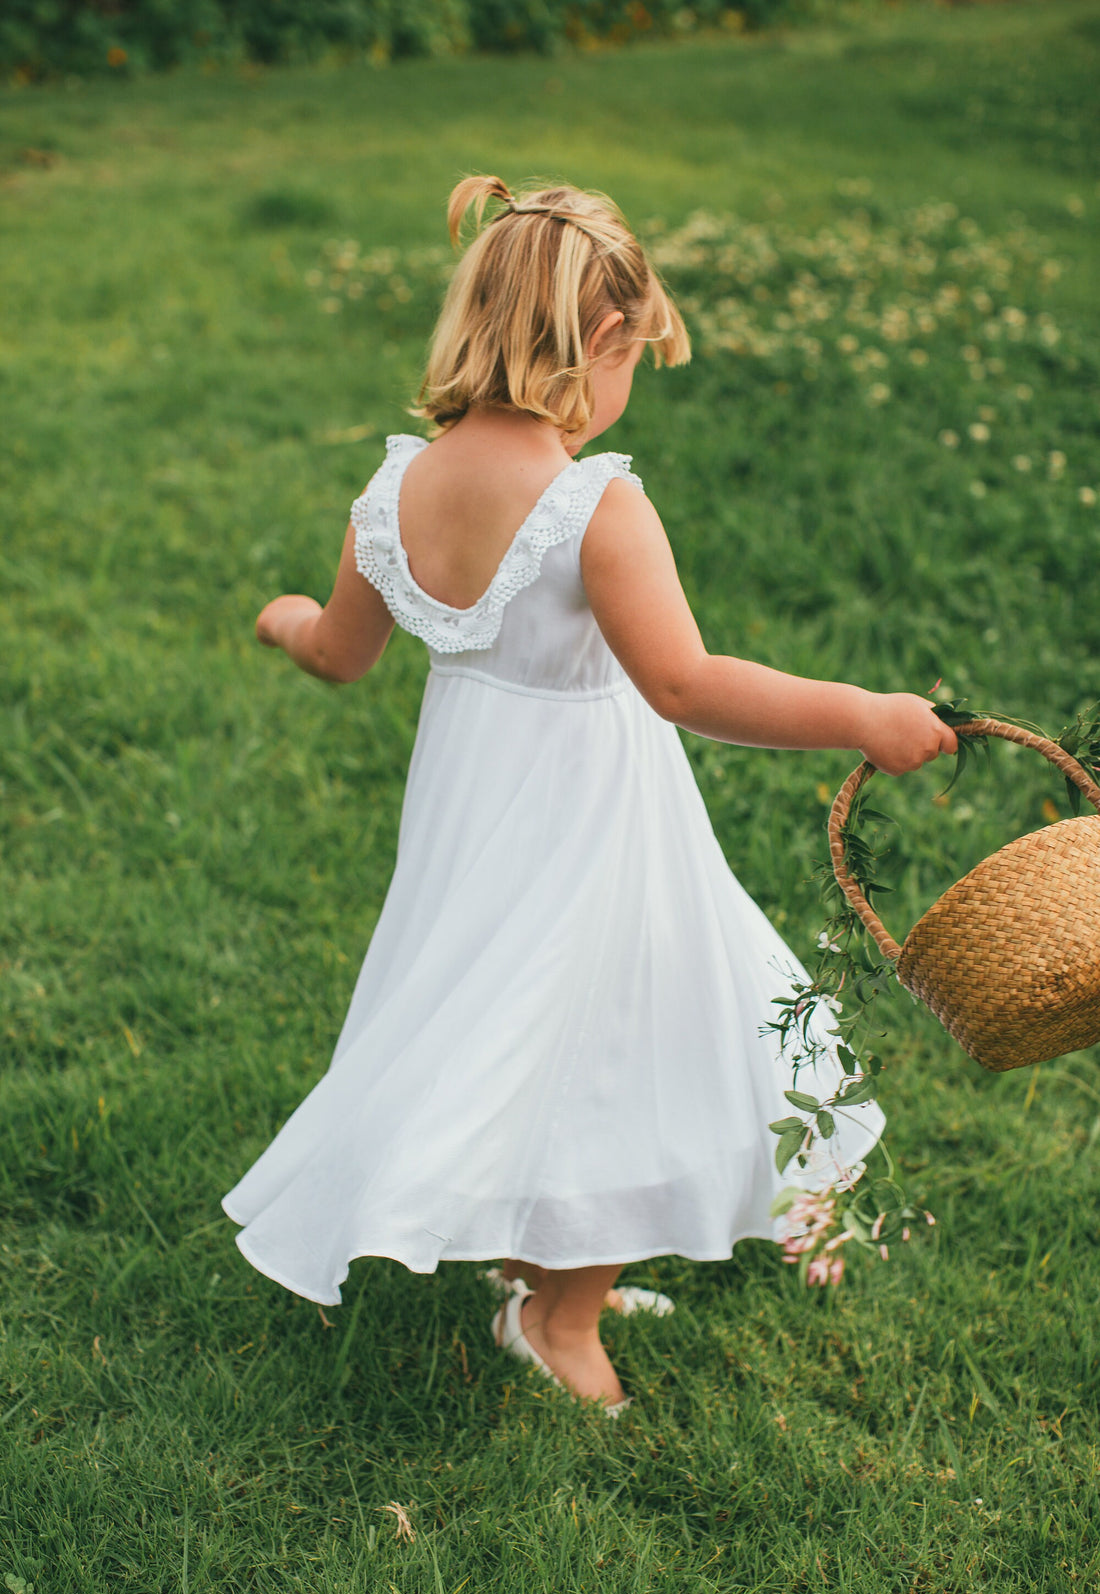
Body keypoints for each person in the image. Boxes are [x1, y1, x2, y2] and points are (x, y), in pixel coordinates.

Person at [221, 175, 956, 1417]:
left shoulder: (394, 491)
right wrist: (859, 713)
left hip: (471, 814)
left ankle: (537, 1260)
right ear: (597, 342)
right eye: (633, 360)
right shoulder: (592, 505)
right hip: (594, 823)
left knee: (517, 1015)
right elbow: (684, 683)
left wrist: (287, 617)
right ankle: (554, 1317)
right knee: (629, 1042)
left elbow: (339, 653)